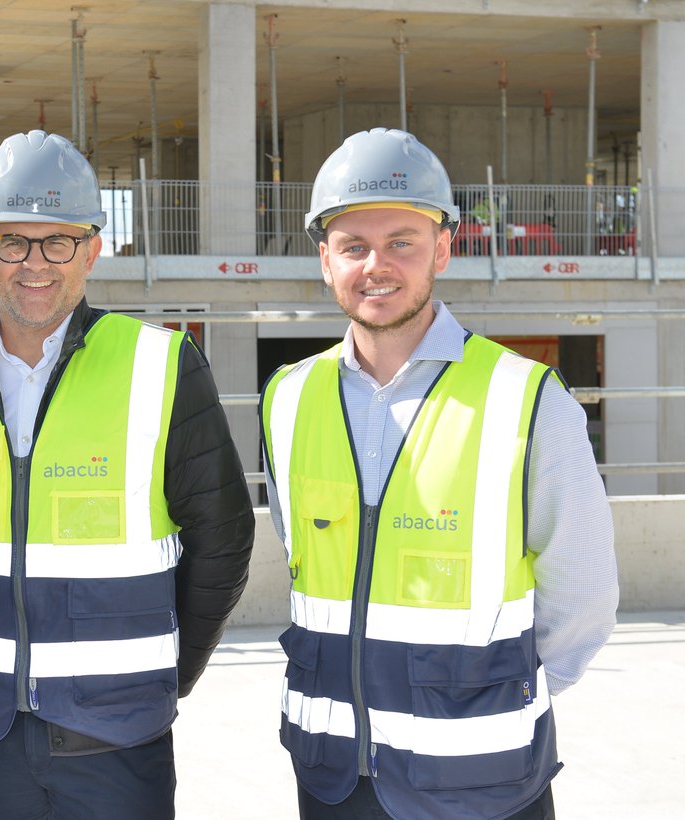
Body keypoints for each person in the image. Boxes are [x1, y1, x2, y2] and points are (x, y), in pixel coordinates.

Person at [259, 128, 618, 820]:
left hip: (482, 785)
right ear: (325, 259)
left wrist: (492, 698)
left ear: (443, 251)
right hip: (332, 776)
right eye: (353, 245)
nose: (376, 265)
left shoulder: (526, 398)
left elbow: (585, 597)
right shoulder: (288, 398)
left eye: (402, 241)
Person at [0, 130, 255, 820]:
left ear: (92, 249)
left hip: (116, 745)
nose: (35, 263)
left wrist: (160, 678)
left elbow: (225, 543)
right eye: (13, 242)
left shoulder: (163, 367)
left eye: (57, 241)